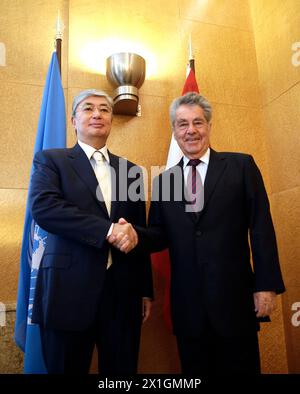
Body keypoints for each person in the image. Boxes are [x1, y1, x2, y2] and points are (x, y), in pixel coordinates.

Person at [133, 92, 285, 375]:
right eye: (182, 124)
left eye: (198, 123)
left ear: (209, 126)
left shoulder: (241, 166)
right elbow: (158, 235)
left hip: (235, 302)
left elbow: (261, 226)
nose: (191, 130)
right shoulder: (165, 181)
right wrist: (133, 234)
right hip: (188, 308)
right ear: (175, 132)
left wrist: (266, 285)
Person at [29, 89, 153, 374]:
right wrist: (107, 230)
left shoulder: (131, 171)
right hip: (66, 293)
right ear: (73, 120)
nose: (97, 114)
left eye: (104, 109)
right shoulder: (51, 160)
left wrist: (145, 290)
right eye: (88, 109)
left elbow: (137, 233)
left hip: (122, 295)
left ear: (111, 119)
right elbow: (45, 208)